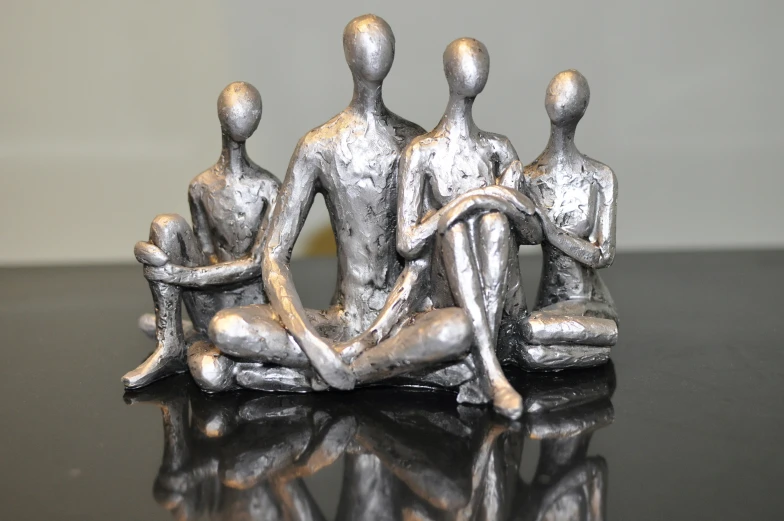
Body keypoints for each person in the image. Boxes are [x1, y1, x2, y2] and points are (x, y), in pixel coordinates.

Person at [189, 14, 473, 394]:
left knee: (456, 328)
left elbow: (420, 264)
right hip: (338, 320)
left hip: (399, 320)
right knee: (227, 326)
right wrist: (311, 342)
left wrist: (370, 337)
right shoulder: (319, 145)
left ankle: (333, 372)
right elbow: (273, 257)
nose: (375, 55)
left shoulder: (416, 143)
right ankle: (381, 371)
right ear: (349, 57)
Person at [395, 38, 542, 419]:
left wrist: (479, 203)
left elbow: (531, 229)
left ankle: (485, 367)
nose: (474, 70)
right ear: (448, 73)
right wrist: (467, 205)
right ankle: (492, 371)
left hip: (496, 276)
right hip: (446, 284)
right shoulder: (421, 151)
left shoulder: (498, 148)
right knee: (456, 228)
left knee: (492, 223)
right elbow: (407, 241)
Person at [122, 82, 279, 389]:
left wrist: (177, 277)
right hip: (207, 306)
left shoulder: (268, 189)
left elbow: (255, 264)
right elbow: (205, 252)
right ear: (222, 116)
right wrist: (151, 254)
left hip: (249, 313)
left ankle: (186, 339)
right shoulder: (201, 186)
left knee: (209, 374)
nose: (242, 121)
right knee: (166, 224)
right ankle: (169, 345)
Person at [518, 70, 618, 370]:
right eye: (558, 93)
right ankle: (583, 352)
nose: (562, 102)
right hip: (547, 305)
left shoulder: (600, 178)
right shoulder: (528, 176)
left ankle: (593, 343)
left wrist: (552, 232)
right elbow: (522, 240)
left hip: (591, 304)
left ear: (582, 108)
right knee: (529, 343)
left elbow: (603, 254)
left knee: (532, 331)